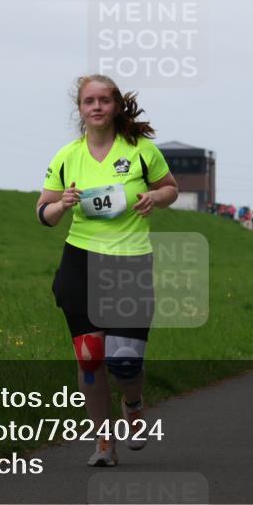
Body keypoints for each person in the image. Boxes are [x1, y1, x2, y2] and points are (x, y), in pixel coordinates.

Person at [37, 75, 179, 467]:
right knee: (89, 357)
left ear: (115, 105)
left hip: (129, 261)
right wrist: (62, 205)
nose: (96, 107)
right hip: (80, 260)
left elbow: (171, 188)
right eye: (88, 101)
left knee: (125, 362)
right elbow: (43, 214)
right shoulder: (67, 156)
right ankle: (103, 441)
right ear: (80, 109)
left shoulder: (141, 150)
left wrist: (154, 196)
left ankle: (133, 405)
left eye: (103, 100)